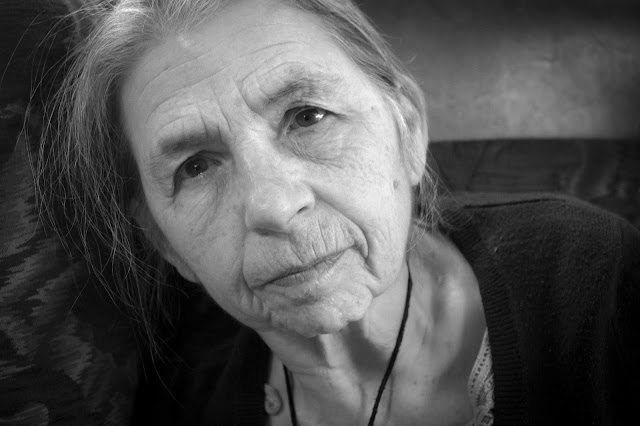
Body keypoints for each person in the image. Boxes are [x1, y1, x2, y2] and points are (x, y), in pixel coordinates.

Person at [38, 0, 639, 424]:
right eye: (195, 166)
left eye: (308, 117)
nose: (274, 206)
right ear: (166, 243)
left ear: (407, 130)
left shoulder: (591, 282)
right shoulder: (183, 401)